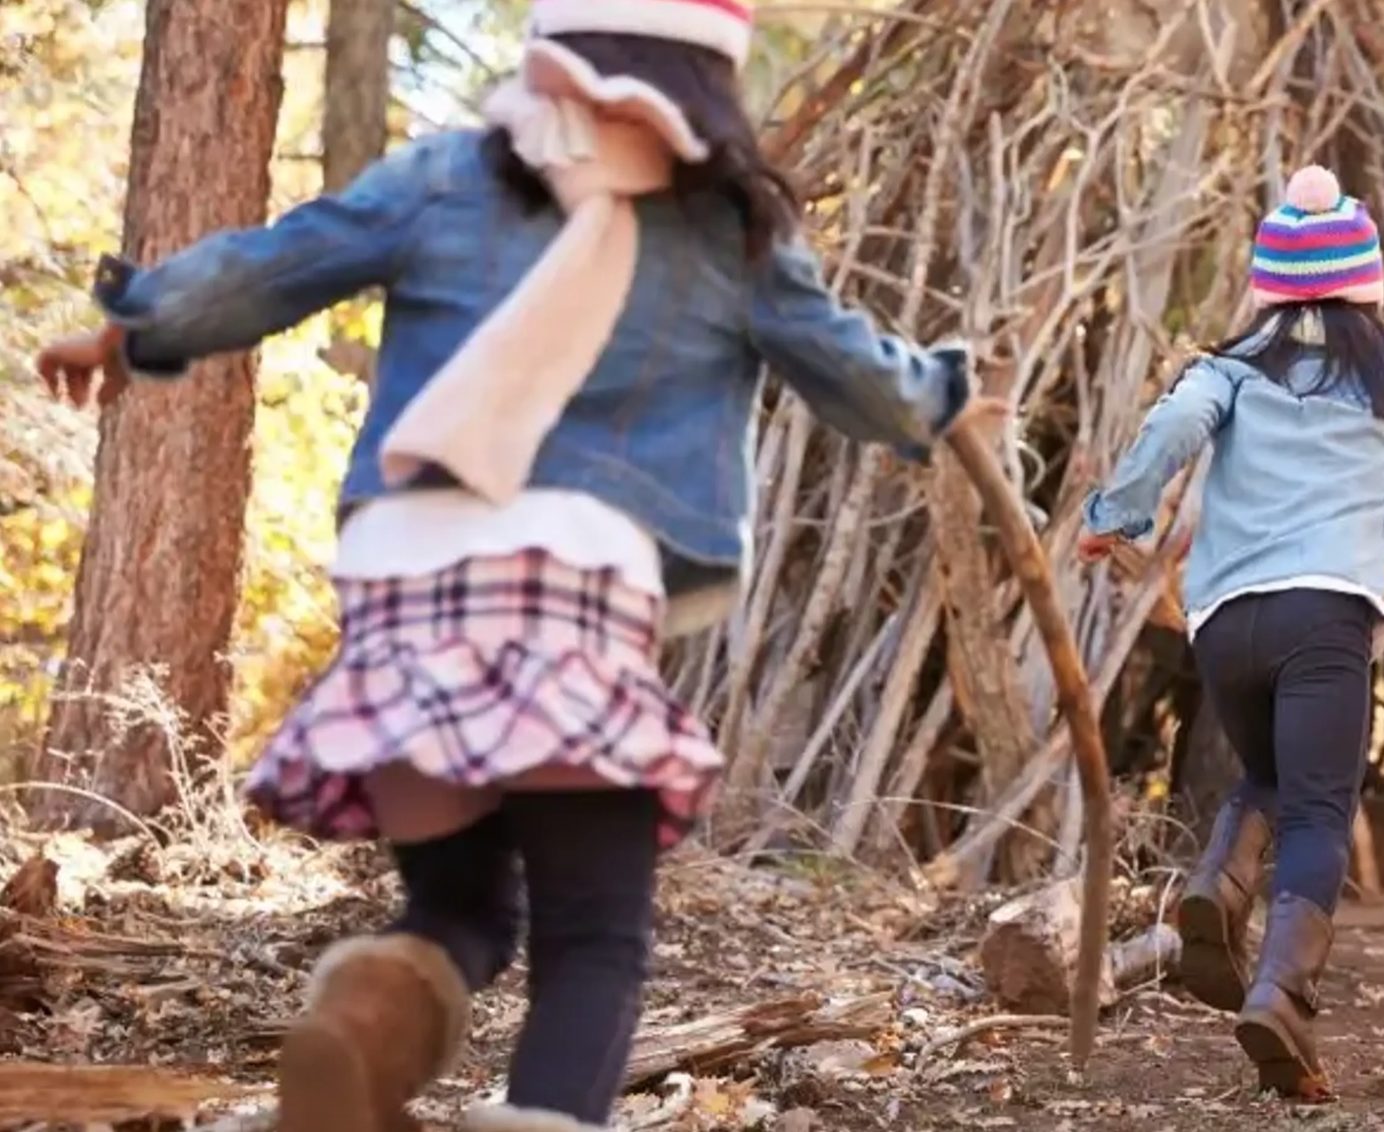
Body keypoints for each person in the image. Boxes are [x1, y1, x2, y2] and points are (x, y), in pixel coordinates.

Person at [34, 3, 988, 1127]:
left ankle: (354, 1033)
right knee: (593, 938)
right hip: (573, 590)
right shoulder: (731, 235)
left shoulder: (443, 176)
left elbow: (278, 262)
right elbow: (860, 382)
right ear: (707, 83)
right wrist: (948, 389)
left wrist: (127, 328)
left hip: (407, 588)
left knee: (459, 916)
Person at [1078, 166, 1384, 1100]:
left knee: (1270, 780)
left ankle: (1218, 888)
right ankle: (1280, 992)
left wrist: (1116, 516)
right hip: (1326, 614)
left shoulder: (1228, 370)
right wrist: (1369, 525)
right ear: (1365, 283)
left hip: (1224, 622)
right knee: (1320, 809)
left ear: (1270, 285)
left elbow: (1172, 429)